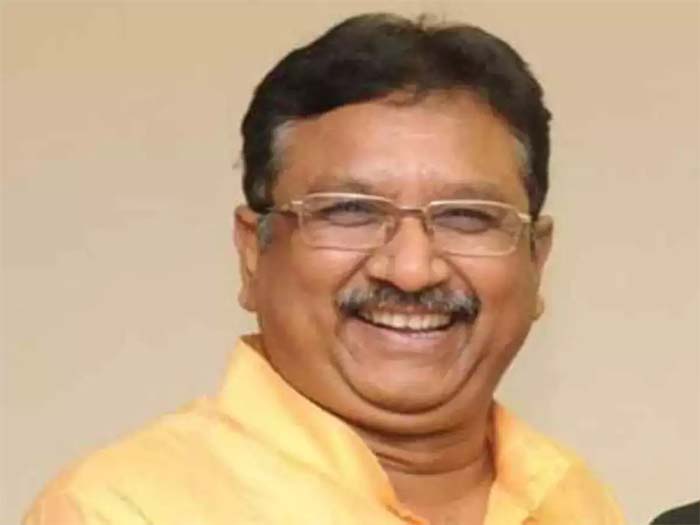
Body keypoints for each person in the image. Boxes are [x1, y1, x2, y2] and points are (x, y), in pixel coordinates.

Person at [24, 13, 624, 525]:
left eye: (467, 217)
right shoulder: (122, 510)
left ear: (537, 258)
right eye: (350, 212)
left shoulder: (575, 503)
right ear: (253, 252)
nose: (411, 270)